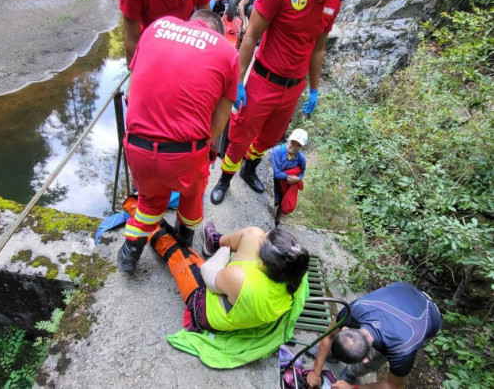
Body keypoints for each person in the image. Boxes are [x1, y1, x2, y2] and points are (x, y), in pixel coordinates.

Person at [210, 0, 377, 205]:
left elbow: (319, 47)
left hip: (293, 88)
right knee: (240, 137)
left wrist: (313, 89)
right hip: (264, 80)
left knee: (270, 137)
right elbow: (250, 35)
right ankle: (224, 178)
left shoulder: (334, 0)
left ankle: (249, 170)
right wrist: (237, 81)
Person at [117, 10, 239, 272]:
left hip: (137, 147)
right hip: (183, 157)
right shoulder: (227, 51)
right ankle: (185, 236)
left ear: (192, 20)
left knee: (150, 199)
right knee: (193, 189)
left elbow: (130, 93)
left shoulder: (157, 26)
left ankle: (131, 248)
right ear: (216, 31)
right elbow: (217, 125)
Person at [149, 221, 309, 365]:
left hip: (207, 310)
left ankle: (151, 227)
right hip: (245, 300)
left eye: (261, 245)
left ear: (261, 263)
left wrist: (222, 256)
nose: (259, 241)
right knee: (254, 232)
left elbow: (208, 273)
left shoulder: (240, 279)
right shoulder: (296, 272)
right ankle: (214, 240)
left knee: (176, 249)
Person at [306, 282, 442, 389]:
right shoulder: (356, 309)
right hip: (404, 290)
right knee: (340, 339)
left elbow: (394, 386)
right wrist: (315, 371)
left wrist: (353, 388)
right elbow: (329, 335)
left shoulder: (402, 349)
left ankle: (351, 374)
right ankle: (337, 352)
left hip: (430, 316)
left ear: (364, 358)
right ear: (345, 329)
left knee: (376, 357)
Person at [271, 128, 307, 226]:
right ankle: (271, 219)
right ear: (289, 139)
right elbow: (276, 173)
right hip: (275, 181)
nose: (294, 147)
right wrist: (293, 176)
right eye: (293, 142)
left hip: (287, 184)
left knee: (284, 201)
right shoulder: (277, 151)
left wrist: (298, 178)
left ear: (302, 147)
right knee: (276, 200)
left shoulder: (301, 159)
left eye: (298, 145)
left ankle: (276, 221)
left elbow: (302, 172)